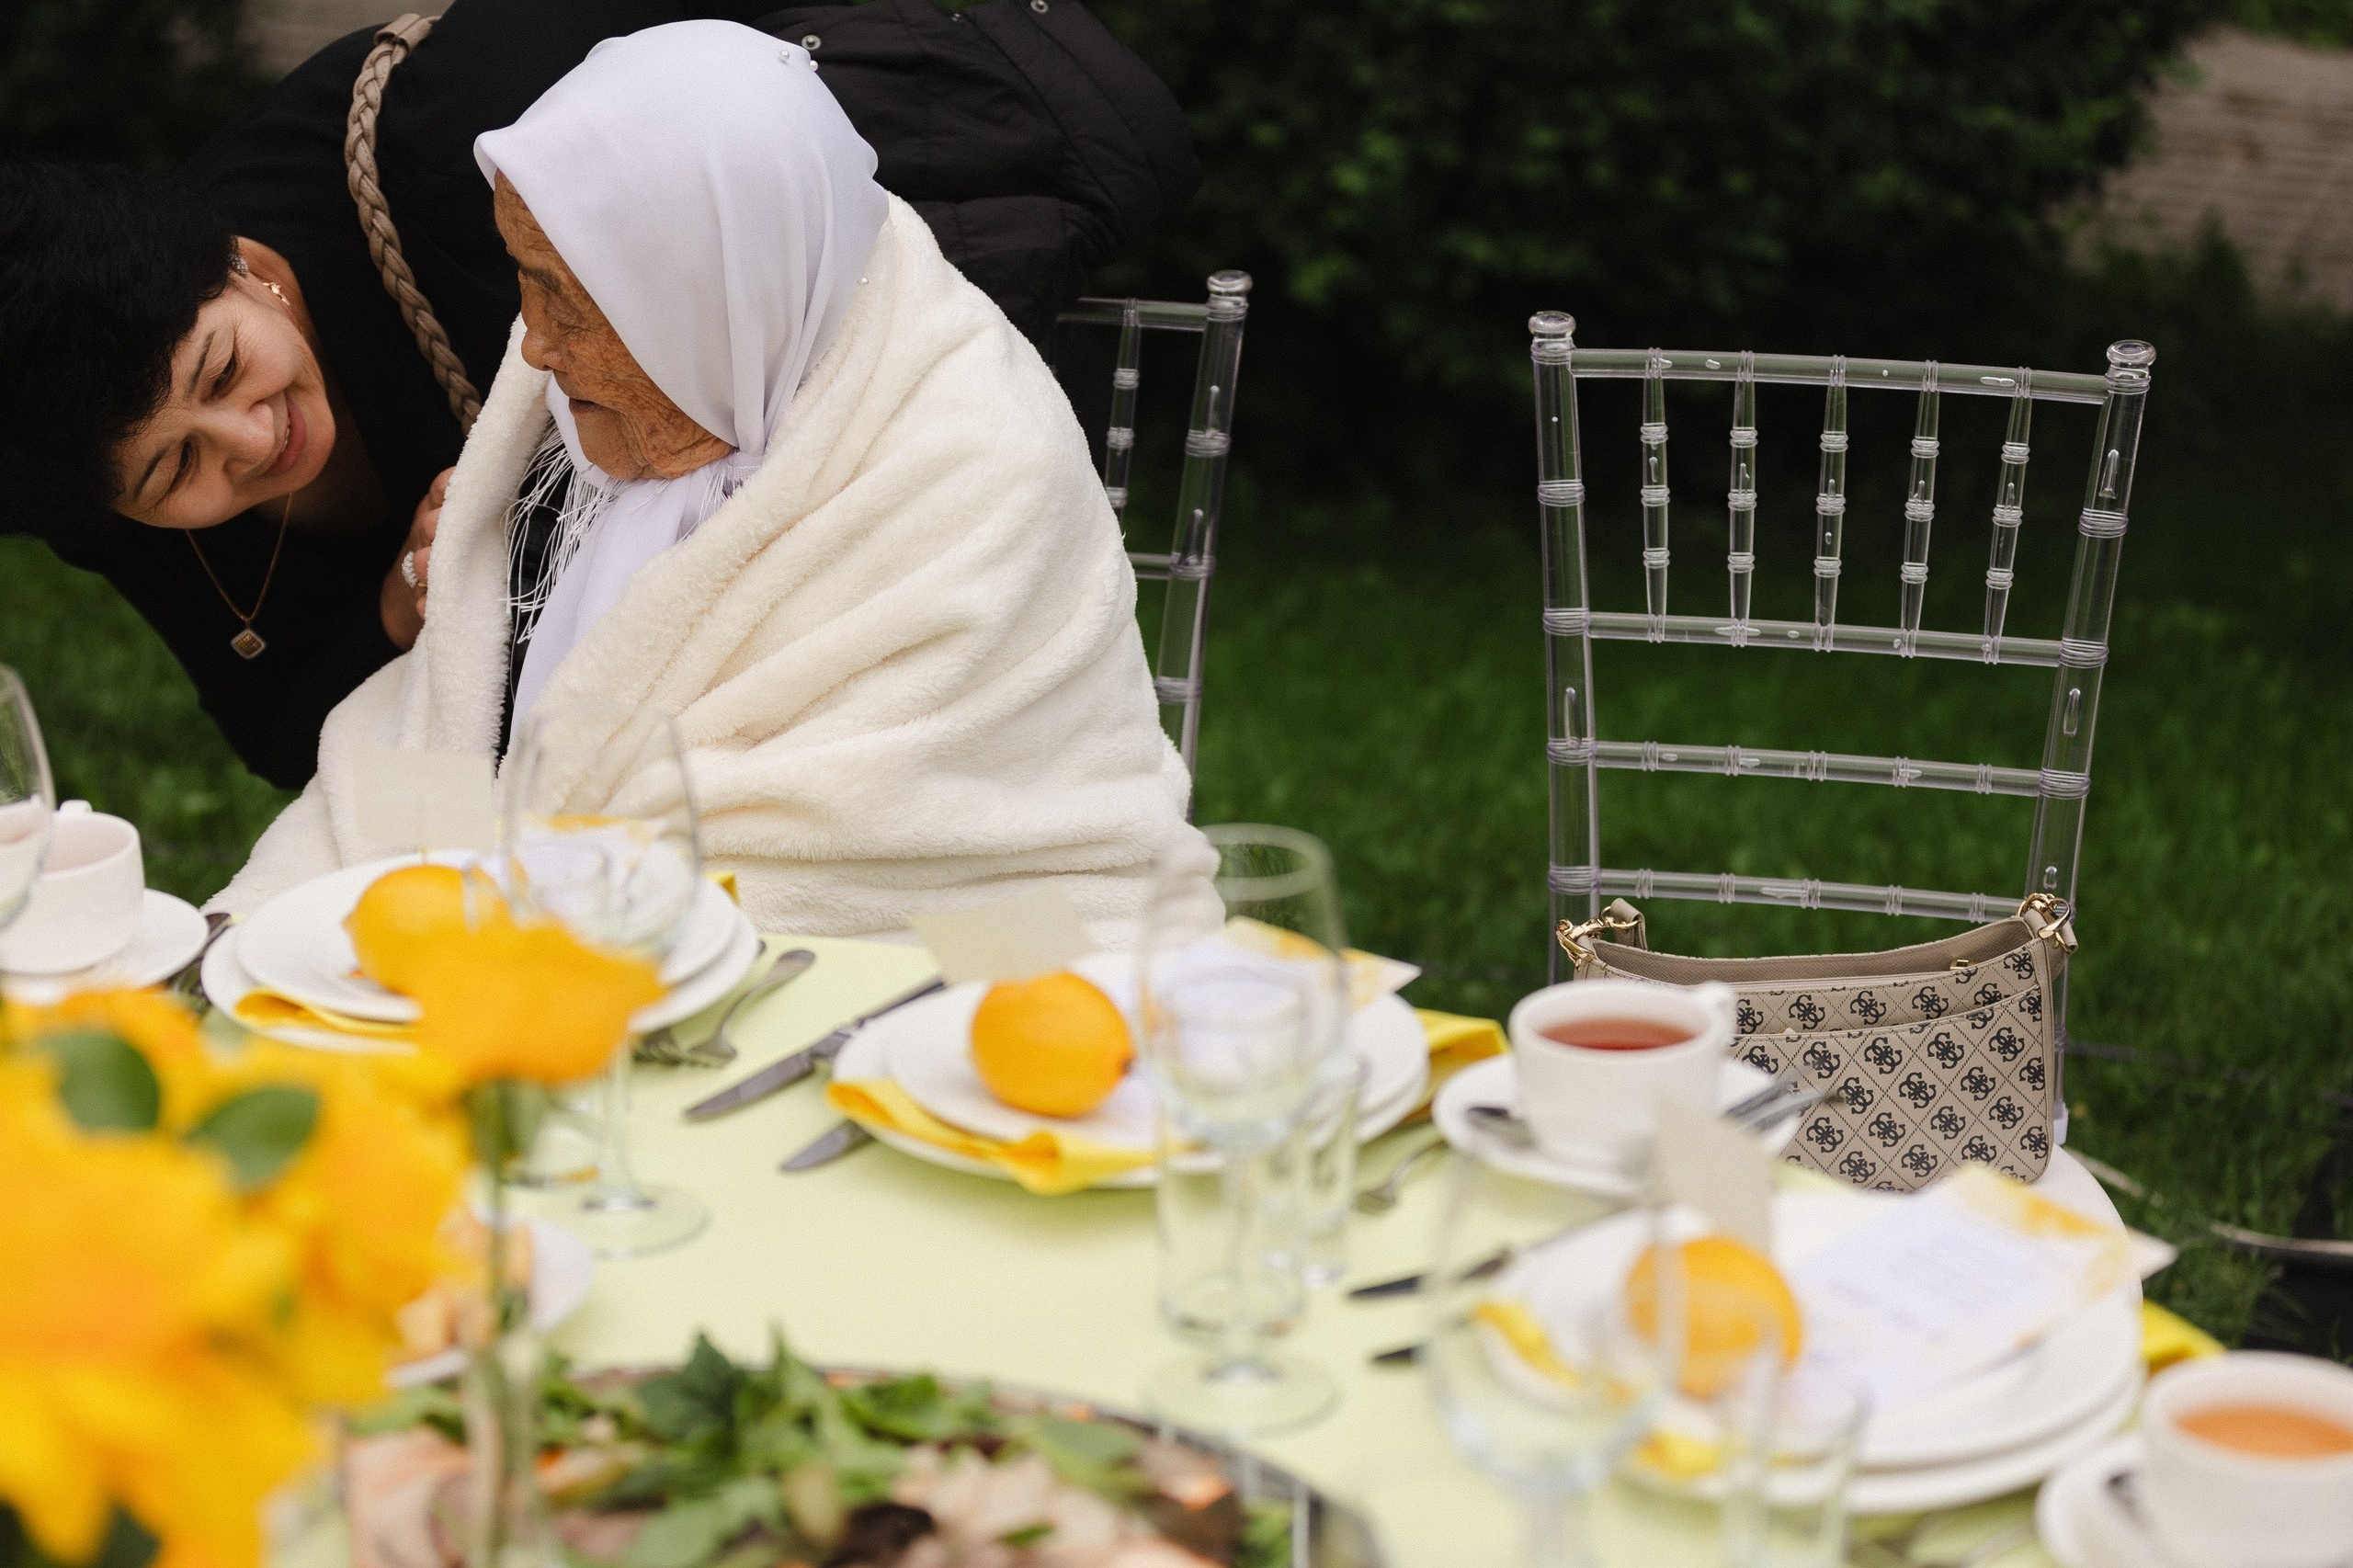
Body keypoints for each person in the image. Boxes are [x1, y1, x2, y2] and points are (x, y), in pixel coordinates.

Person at [0, 0, 1197, 790]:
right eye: (174, 471)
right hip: (558, 781)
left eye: (222, 370)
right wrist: (397, 612)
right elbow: (288, 735)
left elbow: (732, 123)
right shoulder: (89, 464)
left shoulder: (459, 136)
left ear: (239, 264)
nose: (251, 439)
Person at [212, 20, 1207, 939]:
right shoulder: (589, 398)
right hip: (563, 944)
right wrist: (318, 912)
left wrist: (540, 911)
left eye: (565, 296)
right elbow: (460, 732)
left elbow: (918, 846)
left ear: (705, 294)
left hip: (953, 957)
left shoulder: (963, 461)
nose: (536, 345)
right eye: (523, 274)